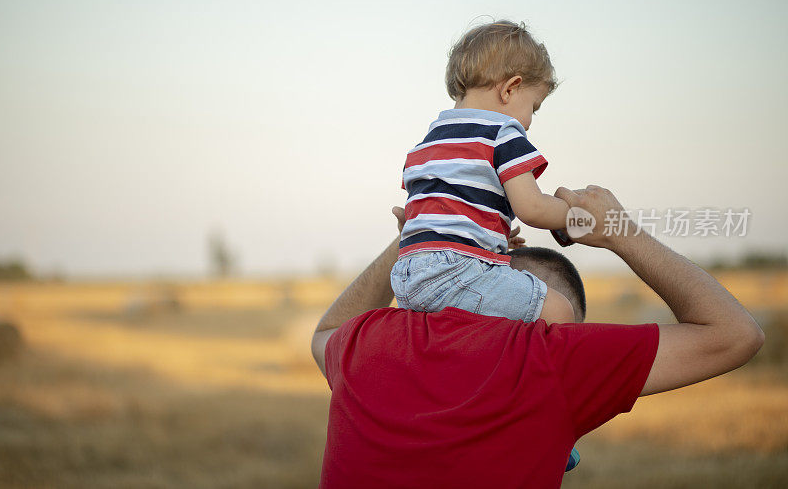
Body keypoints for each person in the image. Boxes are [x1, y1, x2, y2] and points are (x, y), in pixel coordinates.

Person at [311, 185, 764, 489]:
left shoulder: (372, 341)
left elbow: (327, 332)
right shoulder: (550, 359)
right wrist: (620, 232)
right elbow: (737, 333)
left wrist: (424, 238)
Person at [394, 20, 574, 331]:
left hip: (406, 278)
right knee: (560, 310)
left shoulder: (426, 144)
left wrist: (493, 234)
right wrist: (575, 214)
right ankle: (540, 379)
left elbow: (445, 209)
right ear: (510, 89)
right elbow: (532, 208)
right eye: (534, 106)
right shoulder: (503, 133)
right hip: (455, 272)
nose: (530, 121)